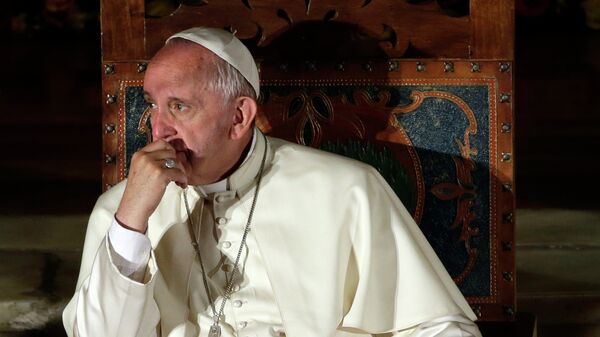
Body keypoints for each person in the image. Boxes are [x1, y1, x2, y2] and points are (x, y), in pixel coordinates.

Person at [63, 27, 482, 337]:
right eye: (153, 106)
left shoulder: (347, 190)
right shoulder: (120, 209)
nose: (159, 130)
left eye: (179, 107)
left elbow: (444, 329)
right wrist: (132, 220)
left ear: (239, 116)